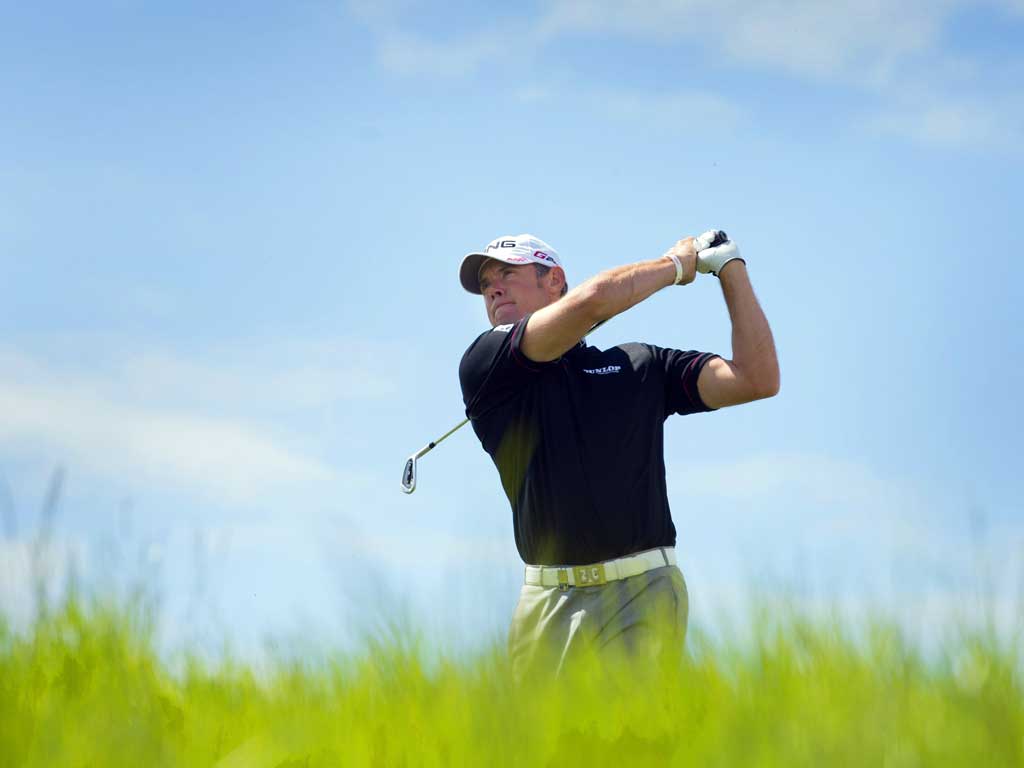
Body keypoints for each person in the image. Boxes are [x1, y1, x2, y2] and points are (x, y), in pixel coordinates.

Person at [457, 231, 779, 680]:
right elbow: (592, 302)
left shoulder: (640, 365)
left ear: (555, 281)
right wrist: (676, 266)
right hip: (547, 604)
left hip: (642, 590)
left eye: (507, 273)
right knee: (540, 750)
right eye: (486, 282)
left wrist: (730, 268)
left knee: (625, 742)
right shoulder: (486, 362)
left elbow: (757, 378)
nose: (492, 287)